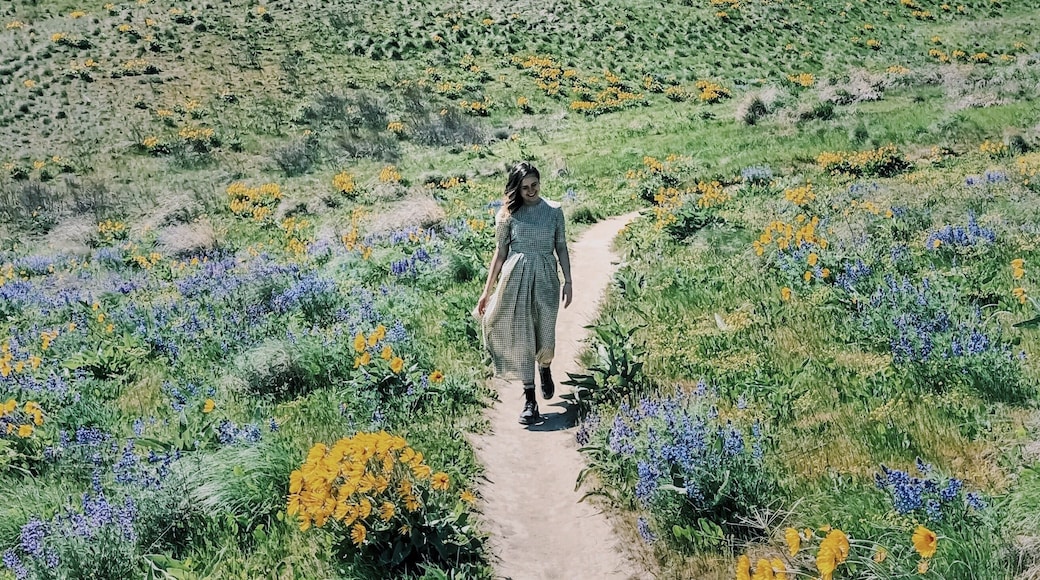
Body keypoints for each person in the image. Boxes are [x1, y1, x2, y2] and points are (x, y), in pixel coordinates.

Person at [476, 162, 572, 425]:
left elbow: (561, 247)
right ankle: (530, 400)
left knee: (545, 332)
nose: (530, 191)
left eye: (534, 185)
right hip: (515, 278)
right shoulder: (507, 215)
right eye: (525, 187)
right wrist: (487, 292)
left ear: (540, 184)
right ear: (516, 189)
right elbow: (500, 253)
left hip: (546, 279)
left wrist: (568, 281)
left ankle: (545, 367)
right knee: (523, 336)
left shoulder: (553, 212)